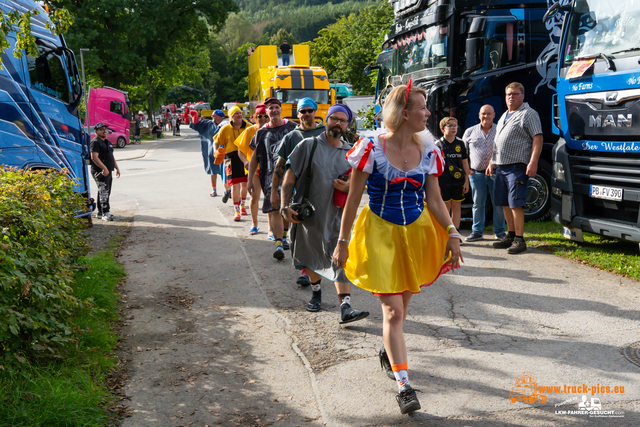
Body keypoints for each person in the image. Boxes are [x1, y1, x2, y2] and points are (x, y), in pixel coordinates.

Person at [333, 83, 462, 414]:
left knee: (400, 313)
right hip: (380, 235)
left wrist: (452, 232)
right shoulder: (371, 147)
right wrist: (342, 241)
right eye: (422, 107)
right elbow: (353, 200)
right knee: (392, 312)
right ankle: (405, 386)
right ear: (404, 113)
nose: (429, 113)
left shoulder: (430, 149)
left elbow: (434, 198)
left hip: (415, 234)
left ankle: (389, 352)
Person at [280, 104, 369, 323]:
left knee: (340, 258)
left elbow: (359, 186)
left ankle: (345, 306)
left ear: (347, 125)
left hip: (337, 215)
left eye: (343, 120)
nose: (338, 123)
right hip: (308, 215)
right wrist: (284, 207)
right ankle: (316, 291)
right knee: (311, 257)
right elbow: (288, 179)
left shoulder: (351, 152)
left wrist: (348, 188)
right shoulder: (307, 145)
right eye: (334, 119)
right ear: (326, 120)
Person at [271, 97, 326, 285]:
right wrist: (274, 192)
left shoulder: (326, 133)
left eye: (310, 110)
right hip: (299, 193)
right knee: (302, 233)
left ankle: (322, 266)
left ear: (315, 112)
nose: (307, 114)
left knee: (323, 231)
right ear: (298, 114)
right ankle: (306, 271)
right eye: (303, 111)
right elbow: (279, 167)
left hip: (324, 191)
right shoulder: (291, 137)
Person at [488, 82, 543, 254]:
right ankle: (510, 236)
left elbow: (538, 138)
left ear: (522, 96)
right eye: (508, 94)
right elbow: (497, 142)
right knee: (504, 203)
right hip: (501, 167)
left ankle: (520, 239)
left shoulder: (528, 114)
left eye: (515, 94)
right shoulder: (505, 115)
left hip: (516, 167)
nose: (511, 97)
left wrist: (533, 162)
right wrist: (492, 161)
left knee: (515, 204)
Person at [247, 97, 297, 260]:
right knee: (274, 209)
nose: (274, 110)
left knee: (286, 208)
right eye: (270, 108)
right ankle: (279, 244)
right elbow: (254, 157)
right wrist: (249, 180)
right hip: (269, 178)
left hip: (291, 176)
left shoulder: (292, 128)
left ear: (281, 109)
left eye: (276, 107)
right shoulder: (261, 132)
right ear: (266, 112)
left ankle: (283, 235)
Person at [463, 105, 507, 241]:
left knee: (498, 204)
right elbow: (463, 155)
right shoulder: (470, 132)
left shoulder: (500, 130)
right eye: (483, 114)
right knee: (478, 203)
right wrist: (467, 173)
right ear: (479, 115)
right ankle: (477, 231)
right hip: (476, 174)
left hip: (496, 173)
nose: (486, 116)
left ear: (494, 115)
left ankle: (499, 232)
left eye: (489, 114)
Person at [237, 104, 270, 235]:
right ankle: (254, 224)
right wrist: (246, 162)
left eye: (265, 116)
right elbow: (240, 150)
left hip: (270, 170)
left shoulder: (273, 129)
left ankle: (271, 229)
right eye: (259, 116)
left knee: (270, 199)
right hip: (255, 170)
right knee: (254, 197)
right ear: (255, 117)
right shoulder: (250, 131)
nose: (262, 118)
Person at [214, 106, 250, 221]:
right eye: (236, 114)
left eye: (240, 113)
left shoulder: (249, 126)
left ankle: (243, 206)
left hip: (245, 156)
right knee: (235, 185)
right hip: (230, 158)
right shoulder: (225, 129)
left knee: (244, 184)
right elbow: (216, 142)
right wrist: (216, 152)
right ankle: (236, 211)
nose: (239, 115)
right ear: (231, 116)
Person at [436, 117, 470, 230]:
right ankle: (447, 232)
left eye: (455, 125)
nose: (453, 128)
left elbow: (465, 163)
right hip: (443, 181)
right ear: (442, 128)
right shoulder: (437, 144)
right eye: (450, 125)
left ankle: (456, 232)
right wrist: (436, 185)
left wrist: (466, 181)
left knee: (457, 206)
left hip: (458, 181)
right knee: (446, 207)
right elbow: (434, 167)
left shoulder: (460, 143)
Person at [190, 109, 225, 197]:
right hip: (210, 152)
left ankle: (228, 190)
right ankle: (214, 190)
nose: (212, 117)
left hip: (224, 152)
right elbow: (196, 125)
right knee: (213, 172)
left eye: (214, 116)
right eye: (212, 116)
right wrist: (195, 117)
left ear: (219, 117)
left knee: (225, 172)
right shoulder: (207, 124)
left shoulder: (225, 125)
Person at [90, 122, 121, 221]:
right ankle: (105, 213)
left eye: (105, 129)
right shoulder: (95, 142)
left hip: (108, 170)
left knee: (104, 191)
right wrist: (104, 168)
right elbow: (94, 157)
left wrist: (116, 168)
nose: (104, 131)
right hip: (100, 171)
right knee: (104, 191)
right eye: (101, 129)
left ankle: (100, 212)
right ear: (96, 131)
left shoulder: (107, 142)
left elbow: (111, 156)